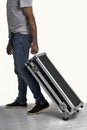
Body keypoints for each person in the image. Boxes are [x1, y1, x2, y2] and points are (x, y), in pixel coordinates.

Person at [6, 0, 49, 114]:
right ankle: (21, 100)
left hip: (22, 36)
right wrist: (10, 40)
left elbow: (31, 18)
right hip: (16, 36)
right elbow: (13, 18)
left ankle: (41, 101)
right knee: (20, 70)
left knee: (22, 70)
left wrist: (35, 42)